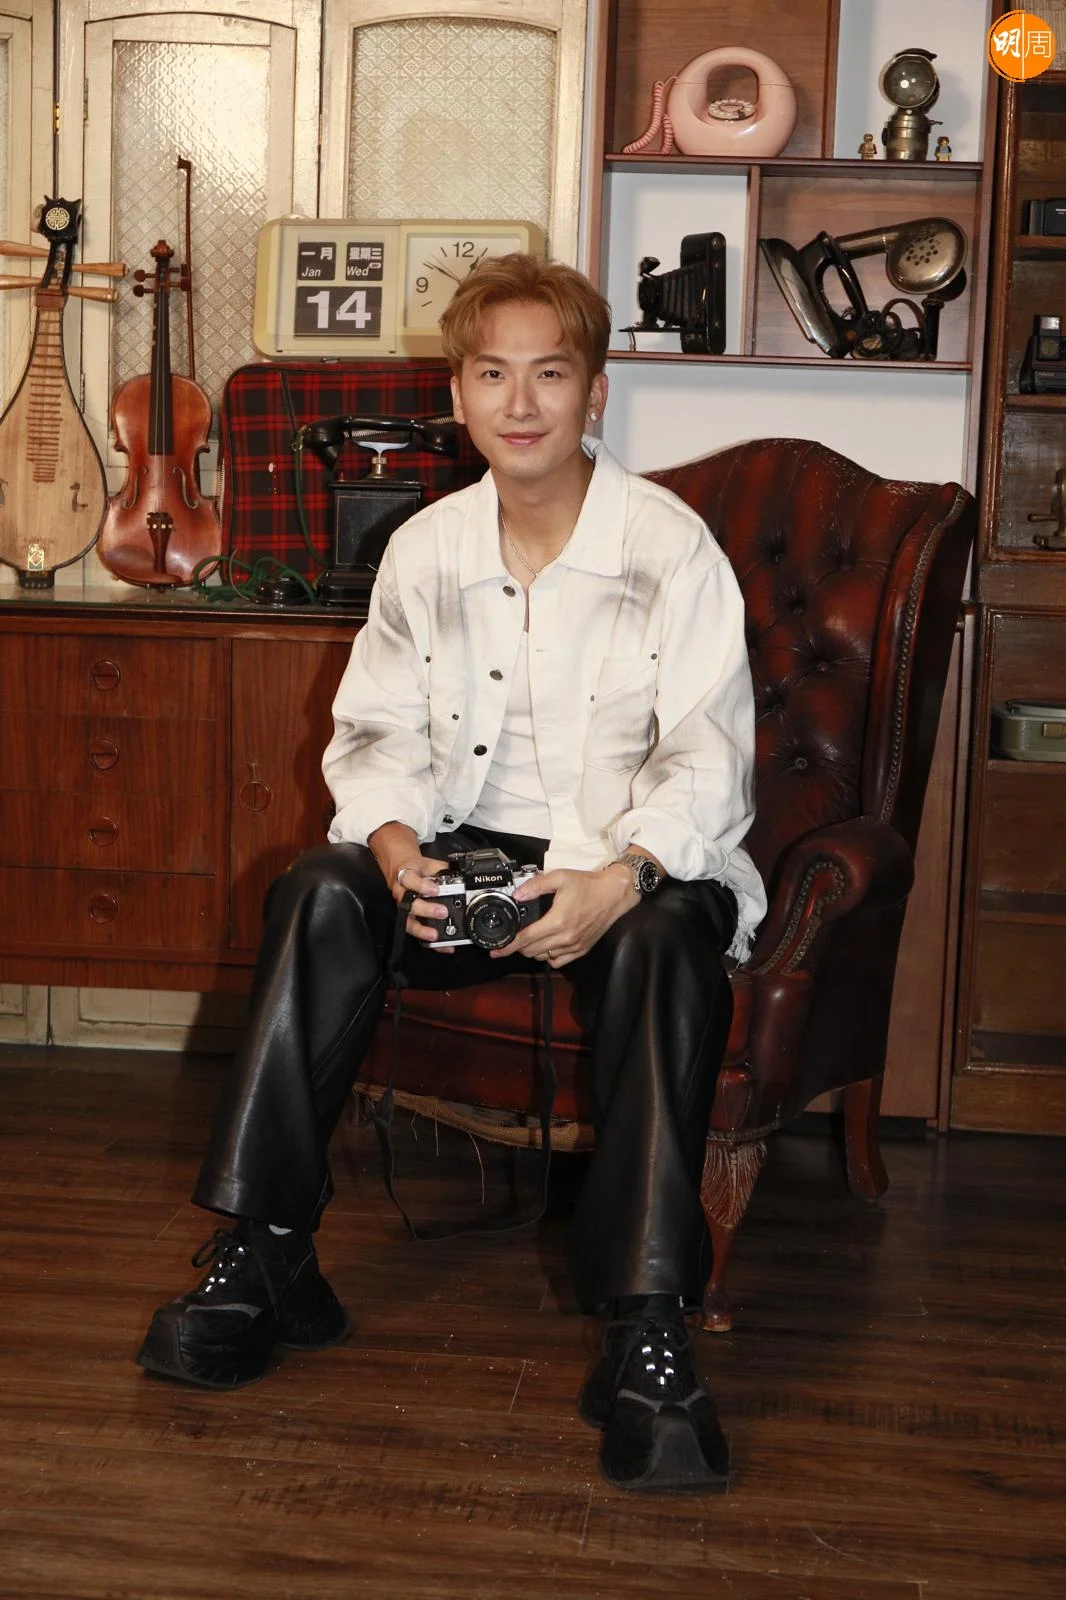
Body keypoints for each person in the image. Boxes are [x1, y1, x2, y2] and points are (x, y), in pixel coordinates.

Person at [137, 254, 766, 1494]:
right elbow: (375, 736)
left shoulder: (669, 548)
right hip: (467, 848)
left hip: (634, 857)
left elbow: (711, 754)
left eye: (550, 374)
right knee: (317, 889)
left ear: (594, 392)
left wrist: (621, 876)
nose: (520, 403)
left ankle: (645, 1330)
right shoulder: (423, 549)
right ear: (459, 395)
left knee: (663, 938)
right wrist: (392, 851)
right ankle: (267, 1252)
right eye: (492, 375)